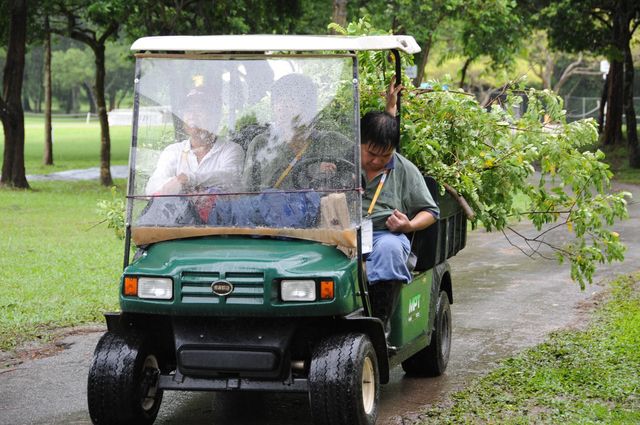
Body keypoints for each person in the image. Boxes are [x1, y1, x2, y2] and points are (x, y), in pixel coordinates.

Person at [361, 85, 439, 338]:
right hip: (341, 234)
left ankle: (378, 325)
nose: (377, 161)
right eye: (371, 154)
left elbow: (430, 211)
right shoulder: (341, 161)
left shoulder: (404, 169)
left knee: (391, 250)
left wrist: (408, 226)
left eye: (385, 156)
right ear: (358, 142)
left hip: (381, 236)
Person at [242, 73, 351, 192]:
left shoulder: (331, 141)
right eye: (278, 101)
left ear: (309, 107)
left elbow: (365, 168)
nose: (283, 107)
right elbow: (246, 193)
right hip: (272, 210)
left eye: (291, 100)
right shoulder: (261, 144)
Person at [146, 89, 244, 196]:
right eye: (188, 110)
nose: (192, 115)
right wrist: (177, 181)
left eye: (199, 109)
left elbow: (229, 176)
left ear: (214, 117)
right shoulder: (173, 151)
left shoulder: (230, 149)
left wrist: (188, 180)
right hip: (179, 213)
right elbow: (151, 187)